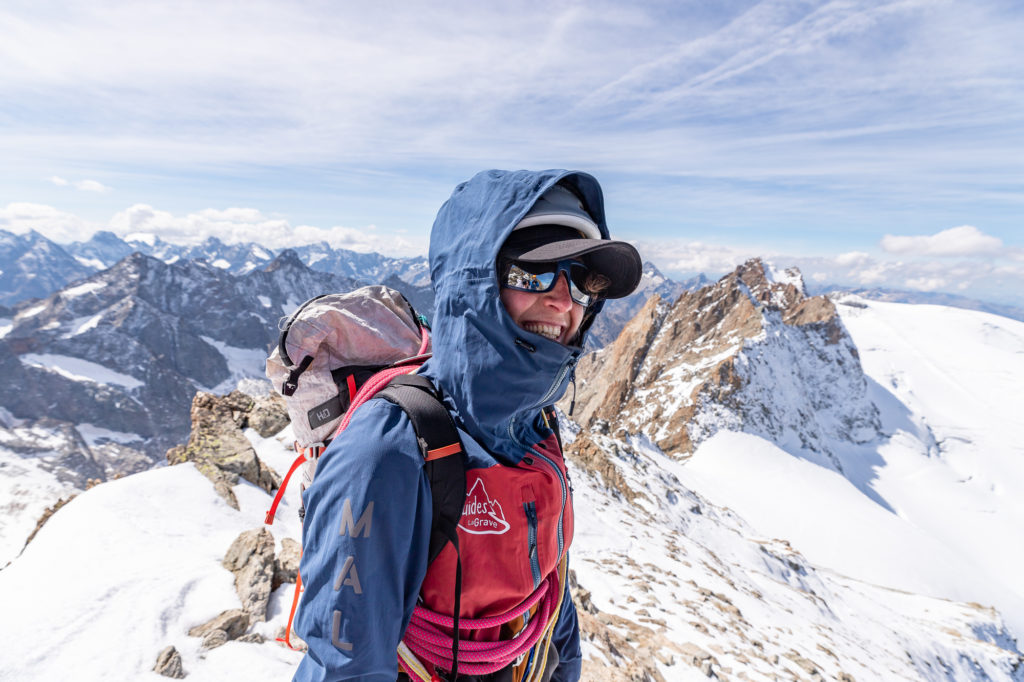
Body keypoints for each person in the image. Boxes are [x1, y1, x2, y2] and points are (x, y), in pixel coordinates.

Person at [294, 169, 643, 682]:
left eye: (581, 280)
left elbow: (550, 595)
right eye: (535, 272)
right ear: (473, 283)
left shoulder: (536, 423)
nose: (565, 301)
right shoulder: (386, 451)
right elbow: (345, 666)